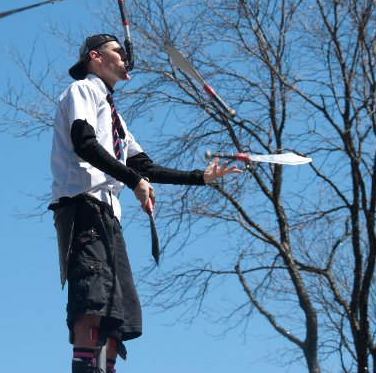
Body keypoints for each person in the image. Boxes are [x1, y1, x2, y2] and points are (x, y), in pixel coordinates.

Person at [49, 33, 240, 373]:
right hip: (82, 207)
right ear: (95, 57)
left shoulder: (116, 118)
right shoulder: (82, 91)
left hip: (108, 214)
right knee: (92, 297)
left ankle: (104, 368)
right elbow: (84, 143)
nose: (125, 57)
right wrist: (134, 181)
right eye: (117, 51)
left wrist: (200, 178)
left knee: (114, 309)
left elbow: (145, 167)